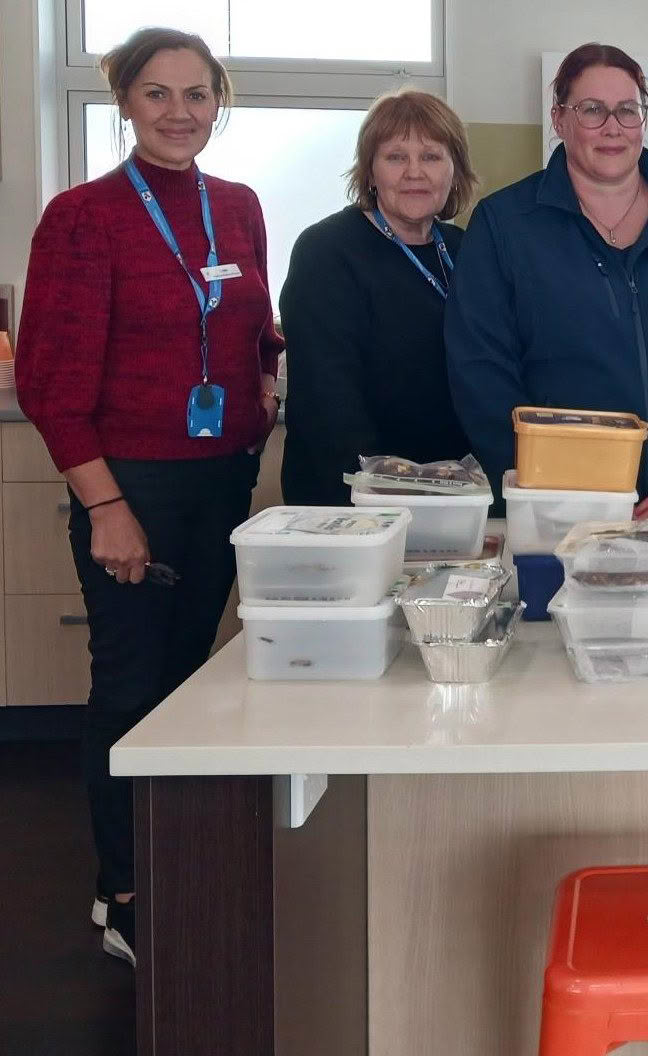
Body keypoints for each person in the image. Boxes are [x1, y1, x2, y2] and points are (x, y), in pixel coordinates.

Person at [15, 27, 281, 967]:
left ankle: (171, 857)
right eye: (158, 95)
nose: (180, 113)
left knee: (186, 679)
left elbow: (248, 324)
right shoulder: (83, 217)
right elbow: (50, 384)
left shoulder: (238, 208)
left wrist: (270, 371)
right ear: (126, 102)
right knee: (129, 684)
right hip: (133, 484)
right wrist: (105, 508)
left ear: (219, 102)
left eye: (197, 95)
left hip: (222, 479)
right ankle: (122, 888)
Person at [445, 43, 648, 515]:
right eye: (592, 110)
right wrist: (541, 482)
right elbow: (479, 368)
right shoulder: (505, 224)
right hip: (554, 507)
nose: (612, 127)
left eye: (627, 110)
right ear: (560, 120)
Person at [280, 89, 477, 505]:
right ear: (369, 172)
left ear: (454, 170)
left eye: (431, 156)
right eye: (395, 157)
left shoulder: (465, 250)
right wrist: (380, 492)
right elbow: (327, 395)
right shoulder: (327, 250)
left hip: (454, 488)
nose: (414, 173)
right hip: (356, 492)